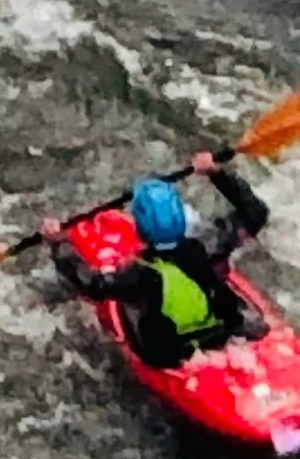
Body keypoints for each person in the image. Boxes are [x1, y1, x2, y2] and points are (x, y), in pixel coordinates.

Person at [47, 156, 270, 367]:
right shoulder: (212, 244)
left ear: (140, 231)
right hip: (225, 332)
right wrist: (215, 172)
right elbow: (255, 212)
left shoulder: (138, 276)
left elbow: (92, 284)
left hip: (170, 354)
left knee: (132, 305)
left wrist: (59, 244)